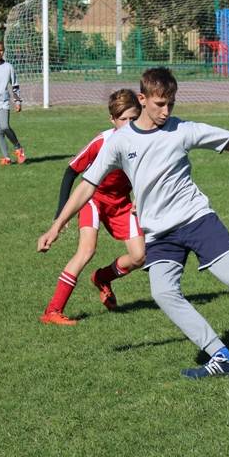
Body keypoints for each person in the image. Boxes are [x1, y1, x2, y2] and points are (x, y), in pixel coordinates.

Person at [39, 67, 229, 379]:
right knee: (164, 293)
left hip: (196, 220)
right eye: (160, 104)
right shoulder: (119, 141)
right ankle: (222, 357)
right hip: (159, 233)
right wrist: (57, 224)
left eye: (170, 103)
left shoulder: (182, 130)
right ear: (142, 99)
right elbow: (88, 184)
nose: (166, 111)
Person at [40, 89, 147, 326]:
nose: (128, 124)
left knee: (140, 257)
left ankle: (102, 278)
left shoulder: (146, 141)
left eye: (133, 118)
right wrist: (61, 214)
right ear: (112, 120)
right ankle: (53, 311)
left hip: (121, 203)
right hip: (94, 199)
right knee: (86, 251)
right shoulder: (103, 141)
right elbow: (71, 171)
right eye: (122, 120)